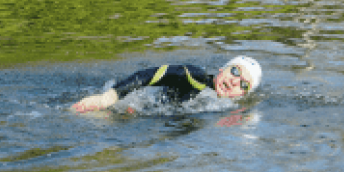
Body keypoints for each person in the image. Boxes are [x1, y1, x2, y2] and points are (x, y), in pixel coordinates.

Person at [71, 56, 262, 112]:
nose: (234, 81)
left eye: (244, 84)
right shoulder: (196, 77)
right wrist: (108, 97)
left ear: (243, 95)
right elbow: (150, 75)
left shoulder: (230, 110)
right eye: (235, 71)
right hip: (132, 112)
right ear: (223, 69)